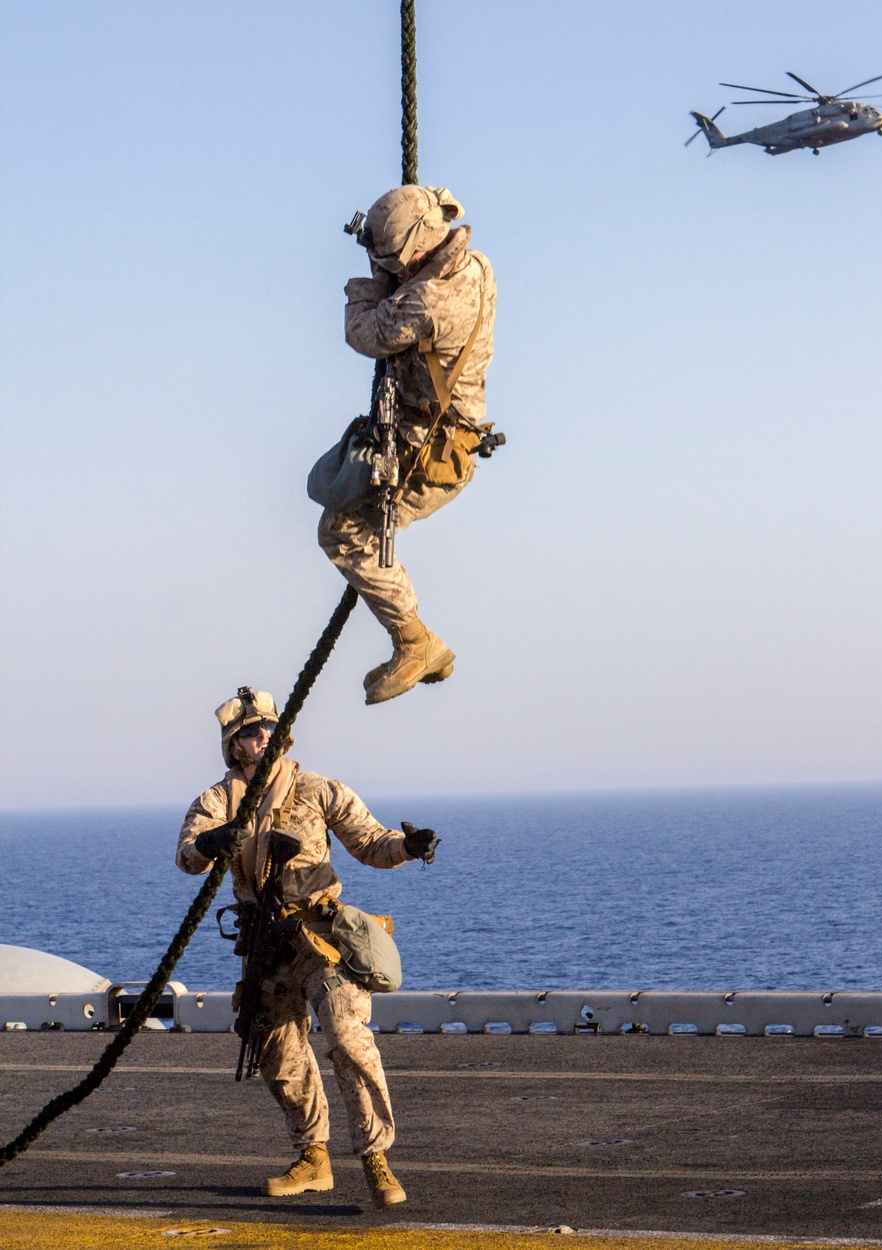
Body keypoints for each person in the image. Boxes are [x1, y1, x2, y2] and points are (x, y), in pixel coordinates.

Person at [176, 687, 438, 1208]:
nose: (262, 736)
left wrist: (408, 848)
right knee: (276, 1050)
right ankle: (313, 1157)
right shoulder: (216, 801)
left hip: (321, 936)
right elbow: (188, 856)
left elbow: (371, 843)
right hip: (264, 946)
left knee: (346, 1034)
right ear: (234, 748)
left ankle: (375, 1159)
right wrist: (211, 843)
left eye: (268, 728)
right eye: (250, 732)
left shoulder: (317, 790)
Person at [318, 185, 497, 705]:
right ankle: (416, 644)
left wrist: (370, 281)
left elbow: (364, 333)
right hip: (437, 437)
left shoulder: (428, 300)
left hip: (426, 454)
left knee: (343, 531)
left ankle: (415, 643)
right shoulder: (476, 266)